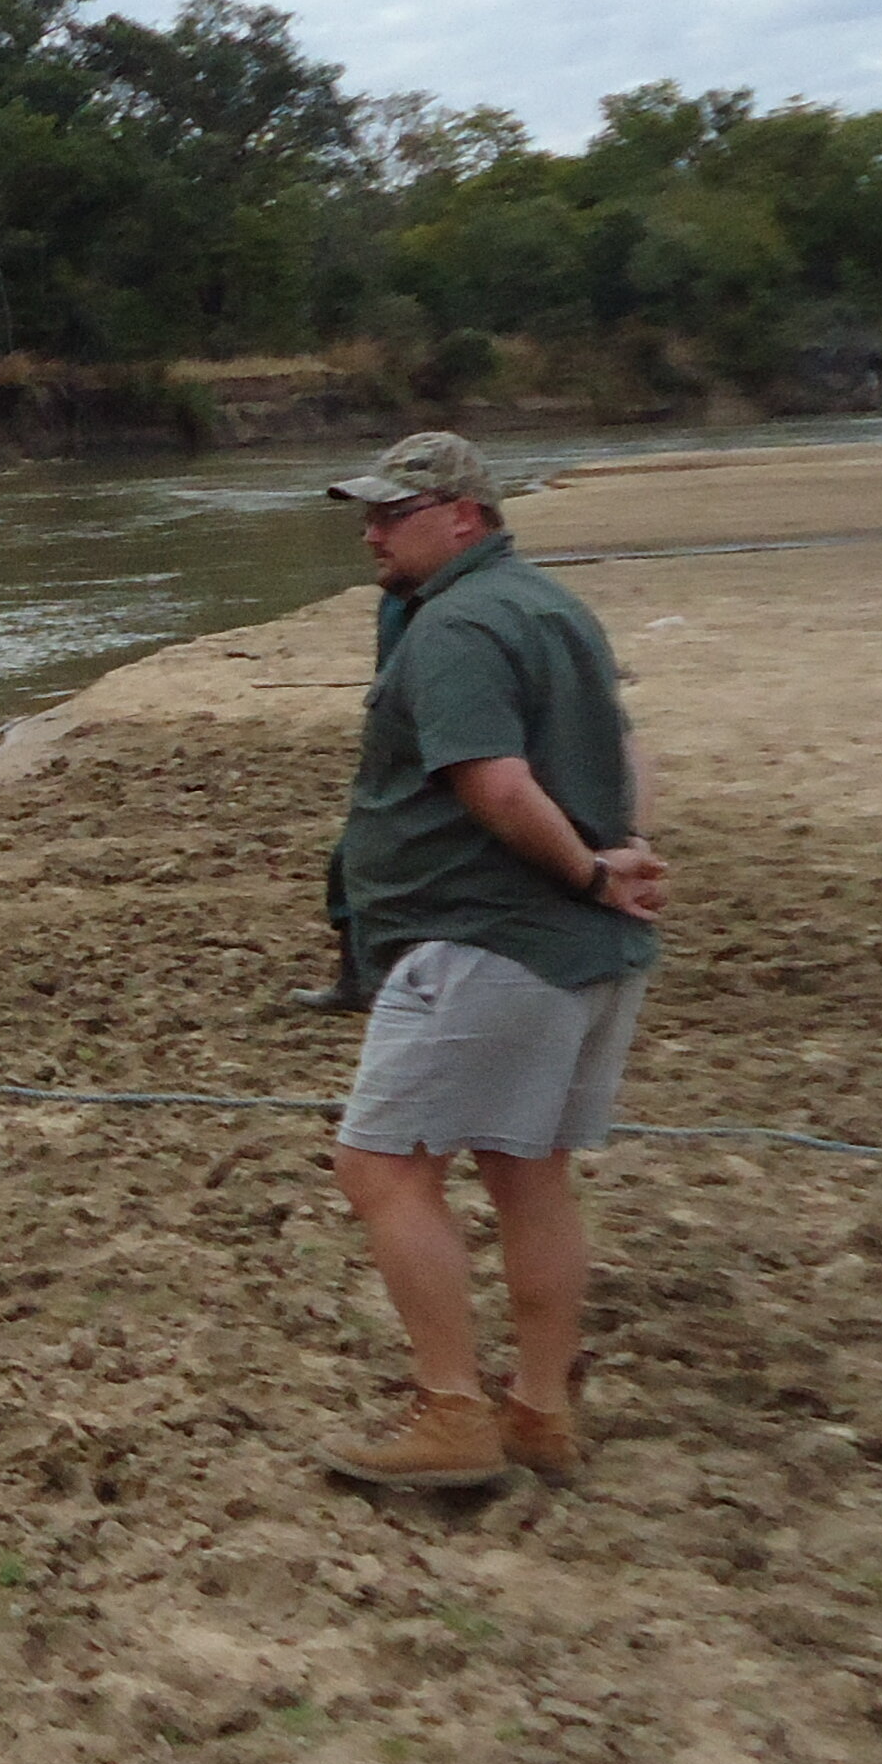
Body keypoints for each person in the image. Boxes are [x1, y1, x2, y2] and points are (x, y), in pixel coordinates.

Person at [311, 432, 667, 1491]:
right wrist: (620, 856)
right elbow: (625, 747)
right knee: (529, 1172)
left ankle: (453, 1414)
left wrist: (592, 874)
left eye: (392, 512)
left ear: (464, 514)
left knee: (379, 1164)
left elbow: (494, 782)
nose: (370, 531)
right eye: (368, 513)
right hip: (577, 949)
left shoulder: (456, 624)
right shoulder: (552, 606)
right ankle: (540, 1412)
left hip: (490, 941)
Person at [291, 580, 420, 1010]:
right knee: (349, 864)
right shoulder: (395, 602)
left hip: (429, 757)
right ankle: (358, 979)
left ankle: (381, 980)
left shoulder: (441, 609)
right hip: (395, 754)